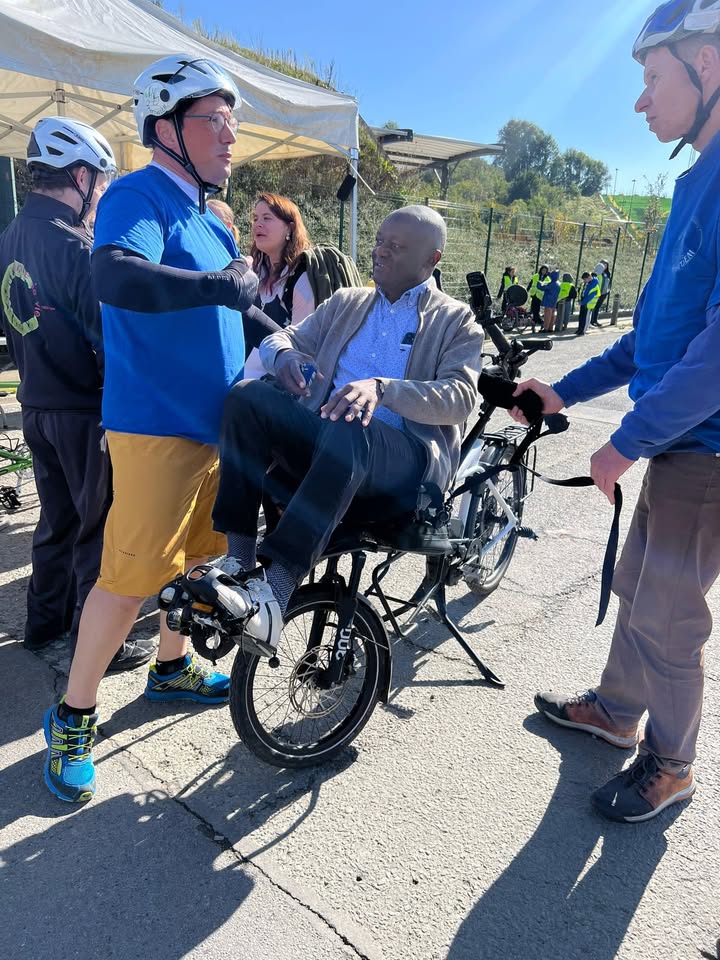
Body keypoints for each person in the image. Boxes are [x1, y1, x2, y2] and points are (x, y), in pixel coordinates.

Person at [512, 0, 720, 823]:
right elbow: (652, 336)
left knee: (669, 616)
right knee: (639, 586)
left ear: (707, 65)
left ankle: (672, 766)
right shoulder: (694, 182)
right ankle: (617, 714)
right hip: (678, 441)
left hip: (703, 449)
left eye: (650, 77)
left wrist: (627, 439)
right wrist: (560, 391)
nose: (641, 100)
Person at [42, 54, 260, 803]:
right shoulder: (140, 193)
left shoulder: (206, 216)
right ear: (166, 127)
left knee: (198, 559)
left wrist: (291, 344)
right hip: (157, 425)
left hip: (214, 424)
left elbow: (244, 304)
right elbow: (112, 273)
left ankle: (172, 668)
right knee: (128, 579)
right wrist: (217, 284)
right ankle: (72, 715)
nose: (231, 137)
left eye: (235, 123)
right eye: (217, 121)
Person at [170, 205, 482, 658]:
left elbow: (461, 396)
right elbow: (282, 337)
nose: (380, 252)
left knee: (351, 422)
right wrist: (285, 359)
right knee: (246, 397)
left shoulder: (455, 320)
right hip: (333, 448)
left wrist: (384, 390)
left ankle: (277, 587)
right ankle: (239, 557)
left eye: (396, 247)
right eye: (379, 241)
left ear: (431, 260)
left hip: (404, 464)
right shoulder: (348, 302)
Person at [0, 118, 152, 671]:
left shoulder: (8, 239)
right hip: (84, 411)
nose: (102, 195)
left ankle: (43, 625)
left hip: (35, 404)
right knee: (96, 529)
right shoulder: (77, 246)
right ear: (82, 175)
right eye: (102, 182)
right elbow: (107, 337)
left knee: (56, 522)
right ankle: (98, 646)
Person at [242, 193, 315, 379]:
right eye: (256, 218)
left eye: (267, 218)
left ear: (289, 228)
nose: (258, 224)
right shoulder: (255, 272)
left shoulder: (302, 278)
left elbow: (301, 343)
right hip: (242, 376)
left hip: (274, 386)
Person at [575, 271, 600, 335]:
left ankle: (582, 331)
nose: (584, 281)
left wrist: (583, 302)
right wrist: (580, 300)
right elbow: (582, 291)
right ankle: (579, 329)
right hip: (584, 302)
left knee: (585, 318)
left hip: (588, 304)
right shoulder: (587, 283)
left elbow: (590, 297)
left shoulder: (594, 285)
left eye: (585, 279)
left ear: (589, 277)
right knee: (581, 317)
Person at [527, 264, 549, 332]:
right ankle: (539, 322)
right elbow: (531, 283)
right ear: (541, 270)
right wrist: (527, 290)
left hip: (539, 296)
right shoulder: (536, 275)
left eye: (545, 270)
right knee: (534, 310)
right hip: (534, 294)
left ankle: (539, 322)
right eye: (543, 270)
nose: (544, 271)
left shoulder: (547, 279)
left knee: (536, 311)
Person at [590, 260, 611, 326]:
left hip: (604, 292)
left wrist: (608, 290)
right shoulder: (597, 273)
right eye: (603, 264)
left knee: (597, 307)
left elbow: (608, 282)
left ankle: (595, 320)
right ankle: (591, 321)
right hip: (596, 292)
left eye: (605, 265)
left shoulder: (607, 273)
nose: (604, 266)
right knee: (593, 306)